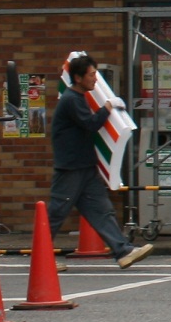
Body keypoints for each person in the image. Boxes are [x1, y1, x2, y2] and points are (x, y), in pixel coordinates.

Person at [49, 52, 154, 268]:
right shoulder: (71, 100)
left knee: (102, 210)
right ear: (78, 78)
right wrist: (107, 107)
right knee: (56, 213)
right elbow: (90, 124)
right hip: (71, 168)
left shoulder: (77, 98)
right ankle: (41, 258)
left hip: (84, 166)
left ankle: (123, 251)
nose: (95, 79)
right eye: (91, 75)